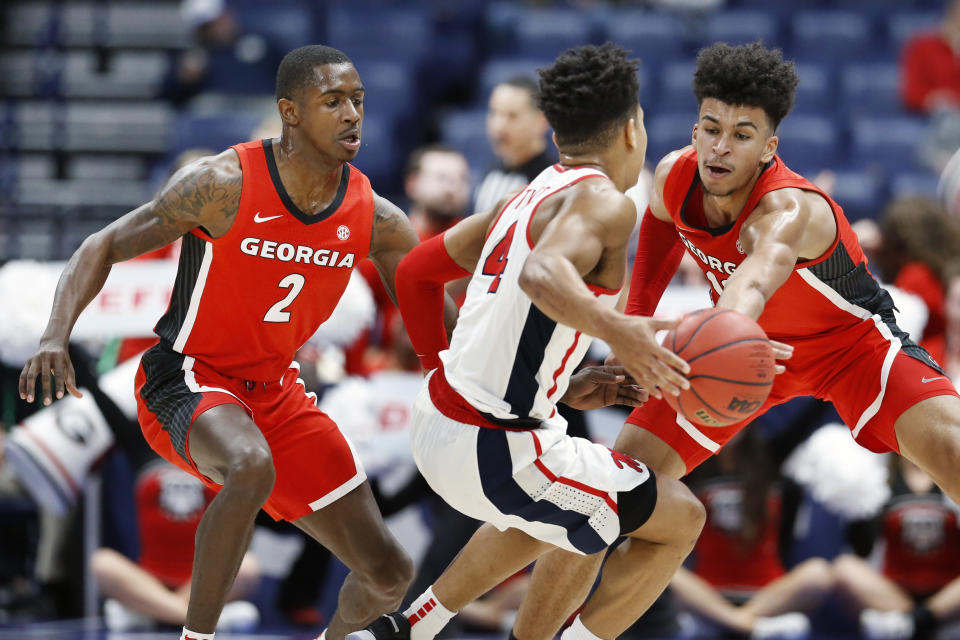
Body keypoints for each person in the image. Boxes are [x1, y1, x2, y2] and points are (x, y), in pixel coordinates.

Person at [508, 40, 960, 640]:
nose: (721, 146)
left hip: (852, 348)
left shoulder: (789, 210)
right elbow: (663, 229)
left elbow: (752, 283)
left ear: (769, 147)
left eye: (743, 134)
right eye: (712, 128)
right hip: (745, 359)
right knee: (602, 497)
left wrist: (719, 335)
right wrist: (635, 325)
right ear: (695, 128)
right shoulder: (675, 176)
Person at [18, 45, 425, 640]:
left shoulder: (376, 218)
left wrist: (528, 377)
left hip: (277, 395)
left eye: (358, 101)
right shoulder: (222, 183)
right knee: (250, 463)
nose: (351, 115)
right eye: (332, 101)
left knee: (390, 572)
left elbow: (434, 319)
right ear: (289, 111)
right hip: (185, 378)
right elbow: (101, 245)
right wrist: (55, 334)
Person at [348, 43, 705, 640]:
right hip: (491, 444)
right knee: (671, 516)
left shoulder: (525, 194)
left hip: (441, 420)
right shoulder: (604, 202)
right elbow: (543, 276)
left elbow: (413, 275)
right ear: (631, 129)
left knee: (577, 497)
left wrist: (466, 369)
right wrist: (621, 332)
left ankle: (410, 626)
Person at [91, 460, 261, 632]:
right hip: (150, 583)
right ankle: (203, 620)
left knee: (248, 565)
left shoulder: (221, 466)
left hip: (204, 582)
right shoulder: (144, 462)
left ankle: (156, 615)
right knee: (102, 562)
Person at [834, 457, 960, 640]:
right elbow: (862, 550)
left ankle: (912, 624)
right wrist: (857, 510)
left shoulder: (952, 472)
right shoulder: (882, 478)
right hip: (896, 594)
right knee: (844, 566)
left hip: (948, 593)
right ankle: (919, 622)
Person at [473, 76, 552, 214]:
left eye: (512, 116)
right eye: (494, 113)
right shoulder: (491, 171)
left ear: (541, 121)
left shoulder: (553, 181)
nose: (499, 126)